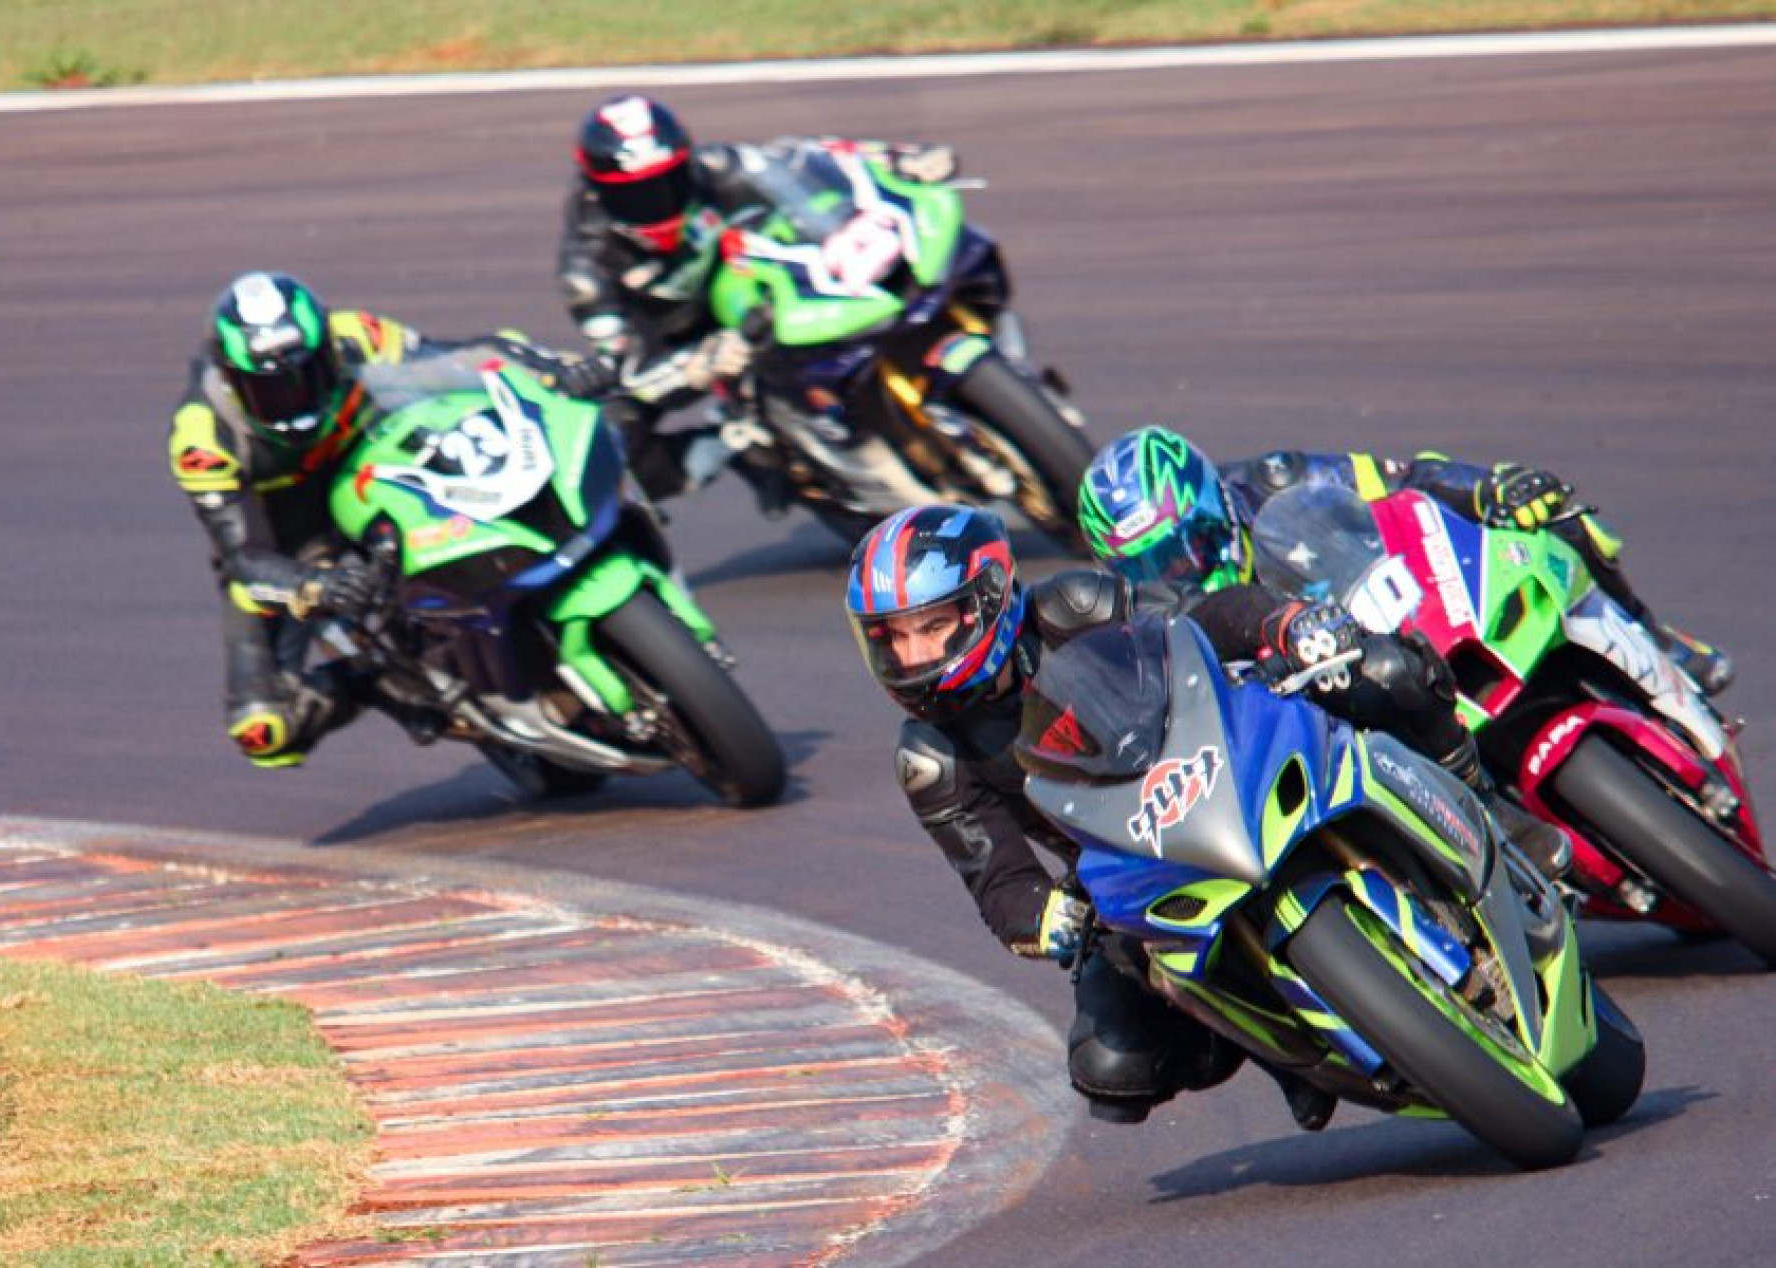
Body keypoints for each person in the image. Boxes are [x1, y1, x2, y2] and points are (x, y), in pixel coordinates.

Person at [845, 504, 1497, 1130]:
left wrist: (1284, 625)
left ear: (985, 601)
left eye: (931, 626)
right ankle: (1298, 1058)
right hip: (1127, 862)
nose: (913, 653)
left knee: (1382, 673)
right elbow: (995, 877)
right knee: (1110, 1065)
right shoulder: (932, 757)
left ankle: (1484, 812)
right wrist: (1044, 918)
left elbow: (1197, 618)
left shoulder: (1075, 606)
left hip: (1225, 749)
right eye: (894, 638)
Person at [168, 271, 613, 768]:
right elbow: (242, 558)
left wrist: (555, 370)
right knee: (265, 732)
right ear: (231, 378)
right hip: (295, 540)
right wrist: (313, 587)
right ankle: (378, 679)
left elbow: (457, 360)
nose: (294, 397)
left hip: (383, 466)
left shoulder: (355, 334)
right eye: (270, 390)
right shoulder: (202, 438)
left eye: (307, 374)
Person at [1077, 426, 1733, 694]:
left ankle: (1654, 637)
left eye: (1181, 548)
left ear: (1209, 503)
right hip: (1347, 694)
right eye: (1150, 568)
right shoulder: (1158, 629)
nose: (1178, 573)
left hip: (1410, 603)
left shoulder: (1272, 478)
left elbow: (1404, 475)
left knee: (1550, 509)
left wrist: (1486, 488)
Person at [558, 93, 963, 503]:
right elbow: (625, 369)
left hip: (752, 284)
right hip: (674, 341)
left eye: (670, 181)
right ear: (599, 193)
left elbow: (805, 159)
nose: (659, 200)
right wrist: (697, 365)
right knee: (614, 440)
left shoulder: (717, 168)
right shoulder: (587, 273)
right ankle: (734, 448)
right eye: (637, 194)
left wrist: (897, 159)